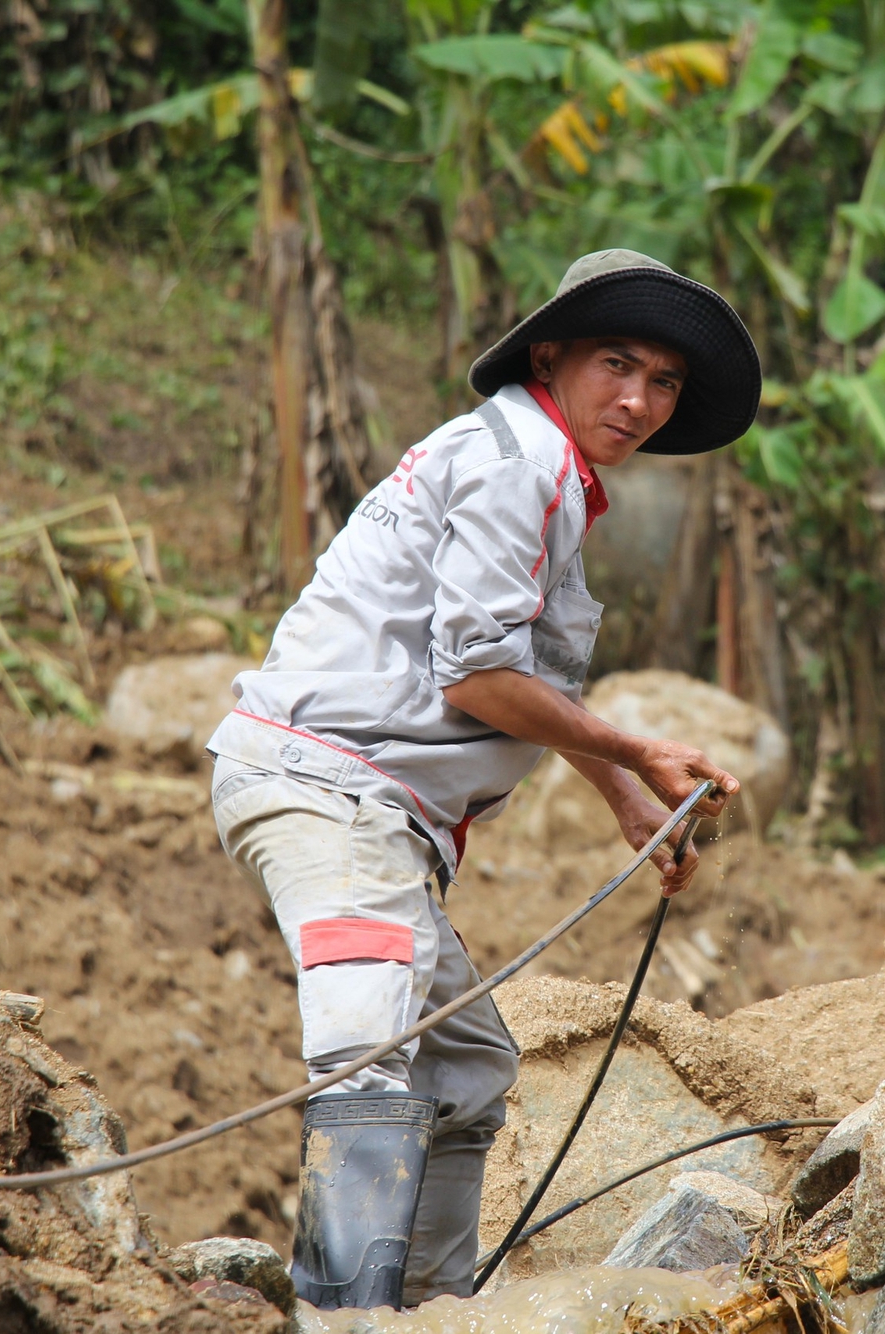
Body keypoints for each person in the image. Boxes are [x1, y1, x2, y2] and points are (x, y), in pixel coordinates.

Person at [207, 249, 762, 1310]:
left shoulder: (536, 464)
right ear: (549, 356)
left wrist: (627, 797)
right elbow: (475, 674)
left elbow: (514, 671)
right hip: (331, 785)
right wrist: (640, 750)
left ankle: (431, 1302)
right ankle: (344, 1313)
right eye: (617, 365)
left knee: (462, 1068)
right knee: (368, 1047)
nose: (639, 400)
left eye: (665, 382)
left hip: (367, 802)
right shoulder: (523, 465)